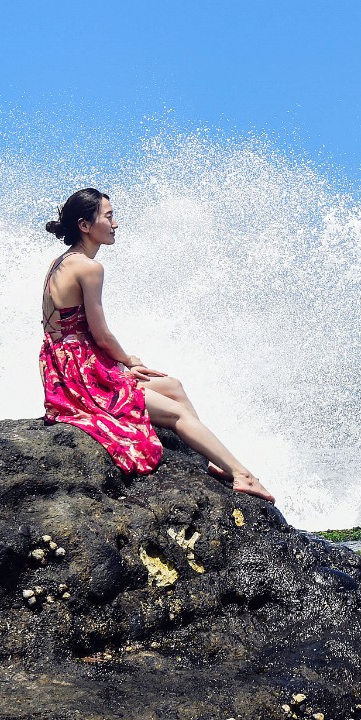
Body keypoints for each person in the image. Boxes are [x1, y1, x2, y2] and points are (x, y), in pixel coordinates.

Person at [39, 187, 275, 500]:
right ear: (85, 225)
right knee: (176, 413)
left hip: (67, 365)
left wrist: (117, 364)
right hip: (80, 376)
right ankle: (241, 474)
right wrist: (127, 362)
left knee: (173, 385)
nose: (115, 224)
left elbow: (69, 333)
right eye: (109, 217)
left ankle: (211, 459)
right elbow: (101, 334)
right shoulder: (89, 267)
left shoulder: (61, 261)